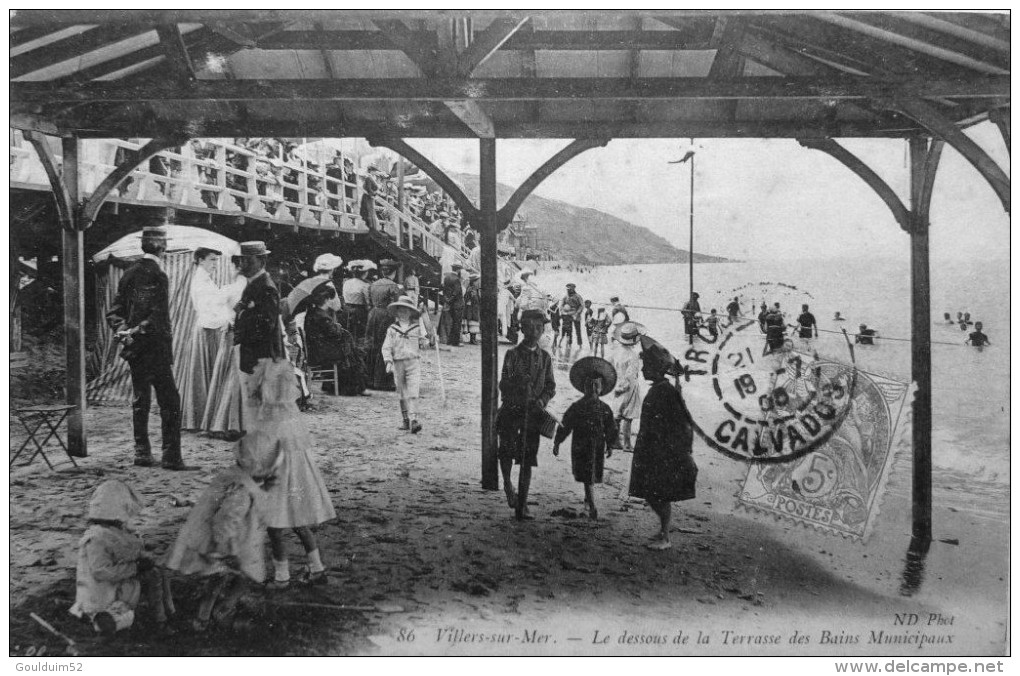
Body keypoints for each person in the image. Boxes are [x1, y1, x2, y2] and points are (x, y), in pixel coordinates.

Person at [163, 444, 275, 633]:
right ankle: (222, 609)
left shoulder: (231, 476)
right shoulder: (242, 490)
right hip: (223, 542)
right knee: (245, 576)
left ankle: (204, 615)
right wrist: (223, 547)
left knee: (220, 578)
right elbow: (226, 519)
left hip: (217, 538)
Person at [106, 226, 191, 470]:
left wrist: (124, 330)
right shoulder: (158, 275)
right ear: (163, 248)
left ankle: (142, 453)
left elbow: (114, 312)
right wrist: (139, 330)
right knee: (170, 401)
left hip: (135, 350)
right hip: (156, 349)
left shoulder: (129, 273)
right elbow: (158, 318)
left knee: (140, 399)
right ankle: (171, 457)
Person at [251, 360, 337, 590]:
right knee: (300, 523)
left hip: (278, 479)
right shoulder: (292, 418)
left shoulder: (271, 421)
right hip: (296, 480)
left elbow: (267, 454)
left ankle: (281, 576)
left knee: (275, 526)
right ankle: (317, 567)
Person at [70, 480, 175, 636]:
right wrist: (136, 567)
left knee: (156, 572)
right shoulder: (96, 538)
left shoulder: (112, 531)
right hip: (100, 594)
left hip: (113, 584)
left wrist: (144, 557)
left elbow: (125, 548)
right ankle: (158, 621)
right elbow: (101, 571)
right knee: (151, 577)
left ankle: (166, 612)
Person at [628, 337, 697, 551]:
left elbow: (680, 422)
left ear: (656, 368)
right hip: (655, 449)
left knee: (658, 493)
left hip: (661, 451)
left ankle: (665, 535)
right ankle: (662, 531)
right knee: (653, 492)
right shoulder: (662, 389)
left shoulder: (664, 391)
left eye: (646, 366)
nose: (642, 371)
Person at [496, 310, 556, 521]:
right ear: (522, 328)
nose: (535, 331)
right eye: (530, 327)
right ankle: (507, 484)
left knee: (527, 458)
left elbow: (550, 386)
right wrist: (519, 387)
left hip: (533, 414)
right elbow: (503, 383)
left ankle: (522, 503)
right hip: (512, 411)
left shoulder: (545, 358)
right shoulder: (512, 354)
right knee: (506, 451)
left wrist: (542, 400)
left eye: (539, 327)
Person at [553, 357, 618, 520]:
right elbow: (565, 425)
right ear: (583, 387)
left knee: (591, 476)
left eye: (597, 385)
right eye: (589, 385)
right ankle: (592, 506)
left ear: (602, 388)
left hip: (597, 446)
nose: (593, 389)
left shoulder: (605, 408)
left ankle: (588, 501)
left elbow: (611, 427)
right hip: (580, 446)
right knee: (587, 476)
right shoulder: (577, 407)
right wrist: (557, 441)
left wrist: (610, 444)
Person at [233, 241, 285, 423]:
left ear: (261, 261)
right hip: (254, 352)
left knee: (264, 402)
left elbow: (266, 324)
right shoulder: (254, 283)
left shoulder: (266, 287)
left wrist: (243, 314)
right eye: (242, 260)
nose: (243, 265)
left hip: (263, 353)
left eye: (248, 260)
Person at [181, 247, 228, 431]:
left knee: (208, 371)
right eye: (212, 260)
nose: (215, 264)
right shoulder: (200, 280)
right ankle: (199, 417)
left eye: (216, 260)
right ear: (201, 260)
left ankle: (205, 417)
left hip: (211, 327)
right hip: (208, 328)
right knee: (203, 372)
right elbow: (206, 307)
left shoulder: (206, 279)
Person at [202, 256, 248, 439]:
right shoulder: (251, 287)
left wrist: (228, 319)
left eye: (231, 266)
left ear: (237, 267)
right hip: (244, 337)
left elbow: (213, 310)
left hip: (231, 335)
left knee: (229, 377)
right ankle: (240, 423)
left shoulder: (229, 289)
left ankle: (225, 423)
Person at [382, 295, 437, 433]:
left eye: (406, 310)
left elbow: (423, 343)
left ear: (411, 312)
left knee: (413, 391)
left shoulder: (416, 329)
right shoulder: (392, 329)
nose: (403, 313)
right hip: (398, 363)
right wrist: (388, 361)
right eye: (400, 310)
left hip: (413, 363)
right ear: (397, 312)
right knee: (401, 393)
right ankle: (405, 419)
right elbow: (386, 346)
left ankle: (414, 420)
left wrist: (430, 341)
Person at [304, 281, 368, 396]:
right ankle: (349, 388)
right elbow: (334, 333)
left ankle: (335, 386)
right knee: (351, 354)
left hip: (317, 349)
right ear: (326, 300)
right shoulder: (322, 316)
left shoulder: (314, 313)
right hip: (322, 352)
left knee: (349, 348)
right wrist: (338, 327)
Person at [364, 259, 403, 390]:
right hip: (386, 315)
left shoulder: (373, 284)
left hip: (373, 314)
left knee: (372, 344)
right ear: (394, 272)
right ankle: (382, 381)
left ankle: (369, 379)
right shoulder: (393, 286)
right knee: (385, 345)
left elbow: (368, 300)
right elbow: (398, 305)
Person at [611, 323, 643, 453]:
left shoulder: (617, 352)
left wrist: (618, 387)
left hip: (617, 384)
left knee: (617, 414)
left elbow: (613, 369)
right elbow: (630, 375)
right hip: (629, 388)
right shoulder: (633, 355)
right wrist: (625, 386)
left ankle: (615, 441)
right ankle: (627, 444)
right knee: (628, 417)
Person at [342, 261, 371, 343]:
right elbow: (368, 302)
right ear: (364, 273)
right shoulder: (365, 285)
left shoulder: (346, 283)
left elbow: (344, 295)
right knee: (358, 334)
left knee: (347, 332)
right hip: (359, 311)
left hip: (346, 309)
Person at [442, 262, 465, 347]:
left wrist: (447, 300)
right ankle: (456, 342)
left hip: (450, 304)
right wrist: (451, 299)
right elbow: (456, 292)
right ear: (458, 270)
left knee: (452, 323)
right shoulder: (457, 279)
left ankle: (450, 341)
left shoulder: (446, 277)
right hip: (458, 304)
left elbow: (444, 290)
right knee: (457, 323)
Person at [560, 283, 585, 350]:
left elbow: (582, 305)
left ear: (573, 288)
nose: (568, 290)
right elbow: (561, 306)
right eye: (567, 289)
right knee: (569, 331)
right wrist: (563, 312)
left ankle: (580, 345)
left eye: (570, 289)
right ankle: (569, 344)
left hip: (576, 315)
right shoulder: (565, 297)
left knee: (578, 331)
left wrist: (577, 313)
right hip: (568, 316)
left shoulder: (578, 296)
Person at [464, 273, 481, 345]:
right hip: (473, 309)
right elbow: (474, 299)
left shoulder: (471, 288)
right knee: (473, 323)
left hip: (472, 308)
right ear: (474, 281)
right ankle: (473, 340)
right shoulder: (472, 289)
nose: (478, 282)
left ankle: (473, 339)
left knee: (473, 323)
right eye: (477, 281)